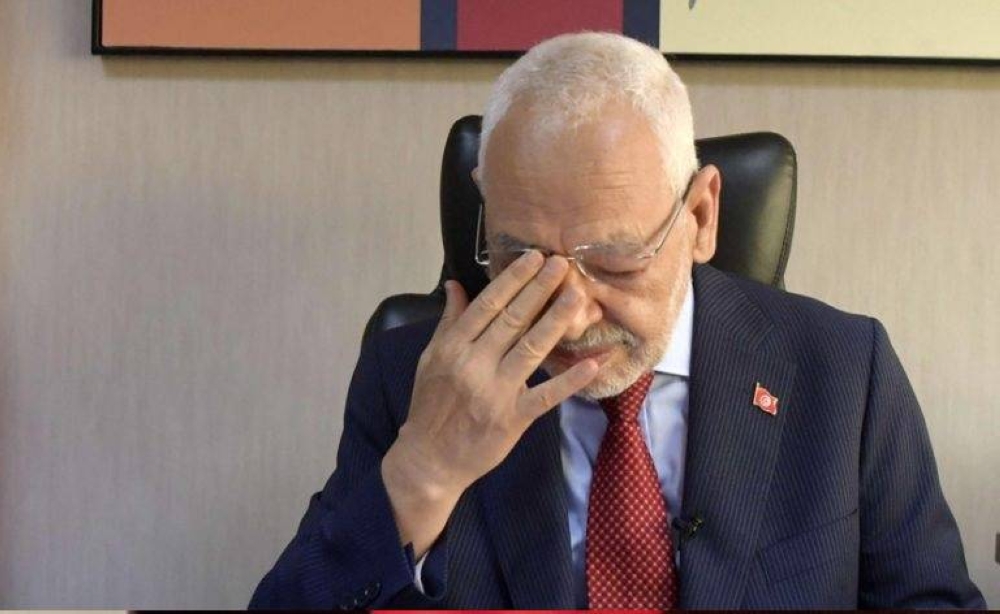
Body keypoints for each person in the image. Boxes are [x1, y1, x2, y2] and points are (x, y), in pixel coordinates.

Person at [249, 32, 984, 609]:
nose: (570, 316)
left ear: (701, 217)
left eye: (614, 259)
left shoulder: (844, 372)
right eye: (521, 259)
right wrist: (423, 475)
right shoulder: (409, 379)